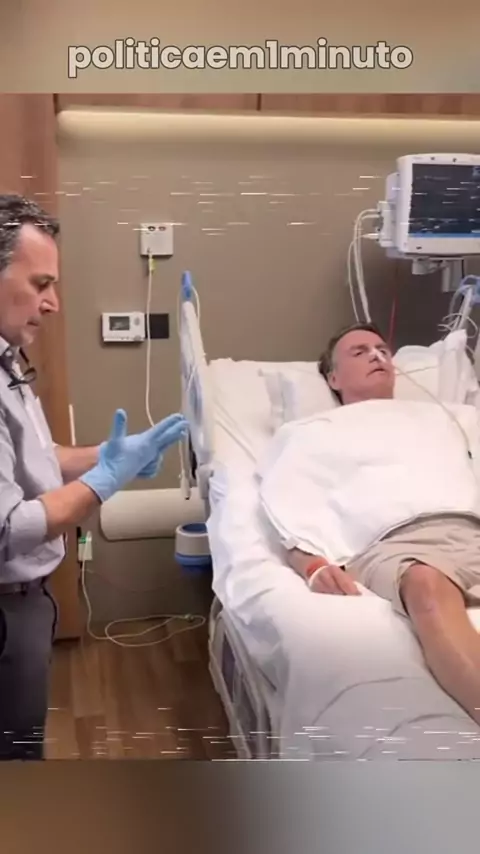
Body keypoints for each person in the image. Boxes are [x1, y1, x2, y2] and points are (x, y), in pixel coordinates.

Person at [0, 194, 187, 760]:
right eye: (40, 284)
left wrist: (105, 455)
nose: (53, 303)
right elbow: (9, 528)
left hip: (27, 602)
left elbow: (34, 459)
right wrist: (105, 481)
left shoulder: (7, 361)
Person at [275, 321, 480, 727]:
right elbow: (289, 509)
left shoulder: (451, 417)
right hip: (397, 544)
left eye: (382, 350)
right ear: (333, 378)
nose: (377, 355)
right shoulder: (310, 434)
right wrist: (312, 566)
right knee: (426, 585)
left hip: (471, 528)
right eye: (360, 351)